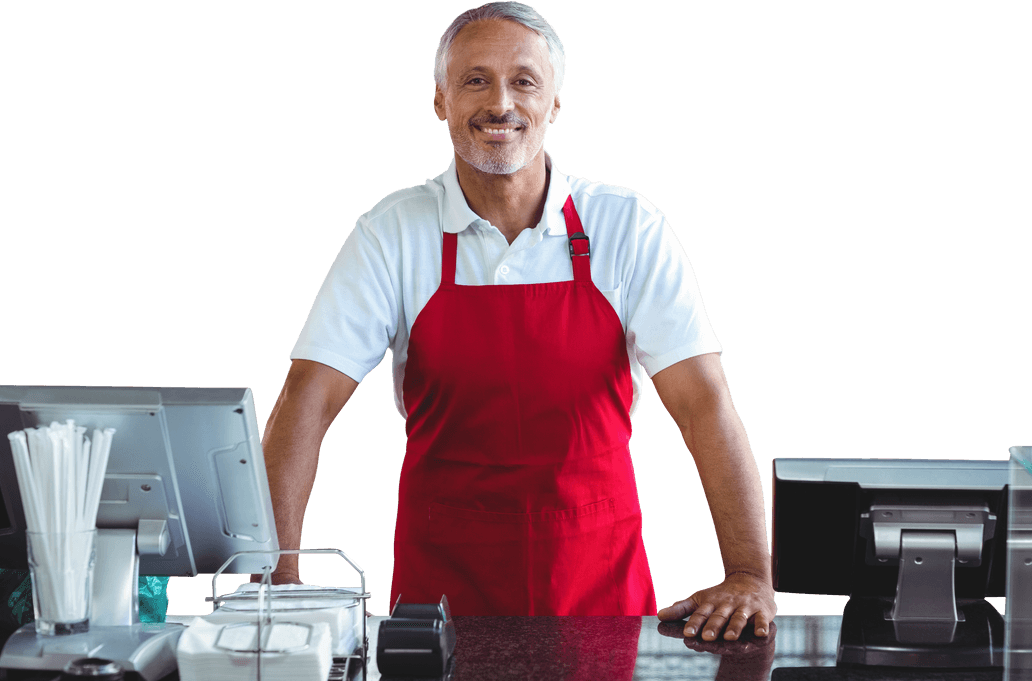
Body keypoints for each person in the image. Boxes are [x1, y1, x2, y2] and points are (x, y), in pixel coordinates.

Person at [257, 1, 776, 642]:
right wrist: (272, 580)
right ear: (441, 100)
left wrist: (750, 573)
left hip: (601, 594)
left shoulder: (628, 226)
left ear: (554, 103)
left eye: (524, 81)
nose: (500, 102)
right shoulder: (391, 232)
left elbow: (703, 405)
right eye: (475, 80)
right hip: (440, 601)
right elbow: (307, 397)